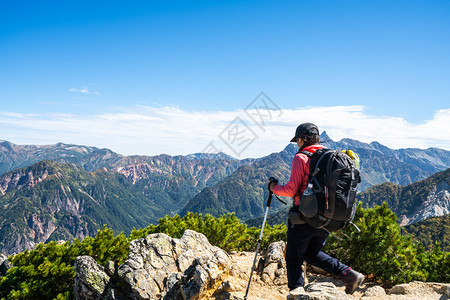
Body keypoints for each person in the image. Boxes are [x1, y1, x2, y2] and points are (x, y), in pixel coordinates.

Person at [268, 122, 364, 295]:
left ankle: (297, 293)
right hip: (327, 217)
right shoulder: (329, 155)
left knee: (293, 257)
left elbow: (291, 190)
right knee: (311, 254)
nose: (296, 144)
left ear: (303, 139)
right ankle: (350, 275)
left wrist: (273, 188)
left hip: (304, 216)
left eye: (297, 140)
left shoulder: (301, 157)